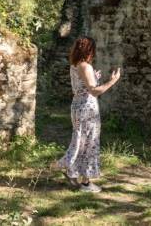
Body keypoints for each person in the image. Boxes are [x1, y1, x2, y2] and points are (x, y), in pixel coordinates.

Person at [55, 37, 122, 193]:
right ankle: (84, 182)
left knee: (80, 139)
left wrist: (94, 77)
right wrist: (113, 81)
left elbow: (80, 87)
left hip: (78, 105)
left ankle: (71, 170)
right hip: (87, 108)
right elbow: (94, 91)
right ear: (89, 50)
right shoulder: (85, 67)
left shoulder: (75, 65)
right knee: (89, 143)